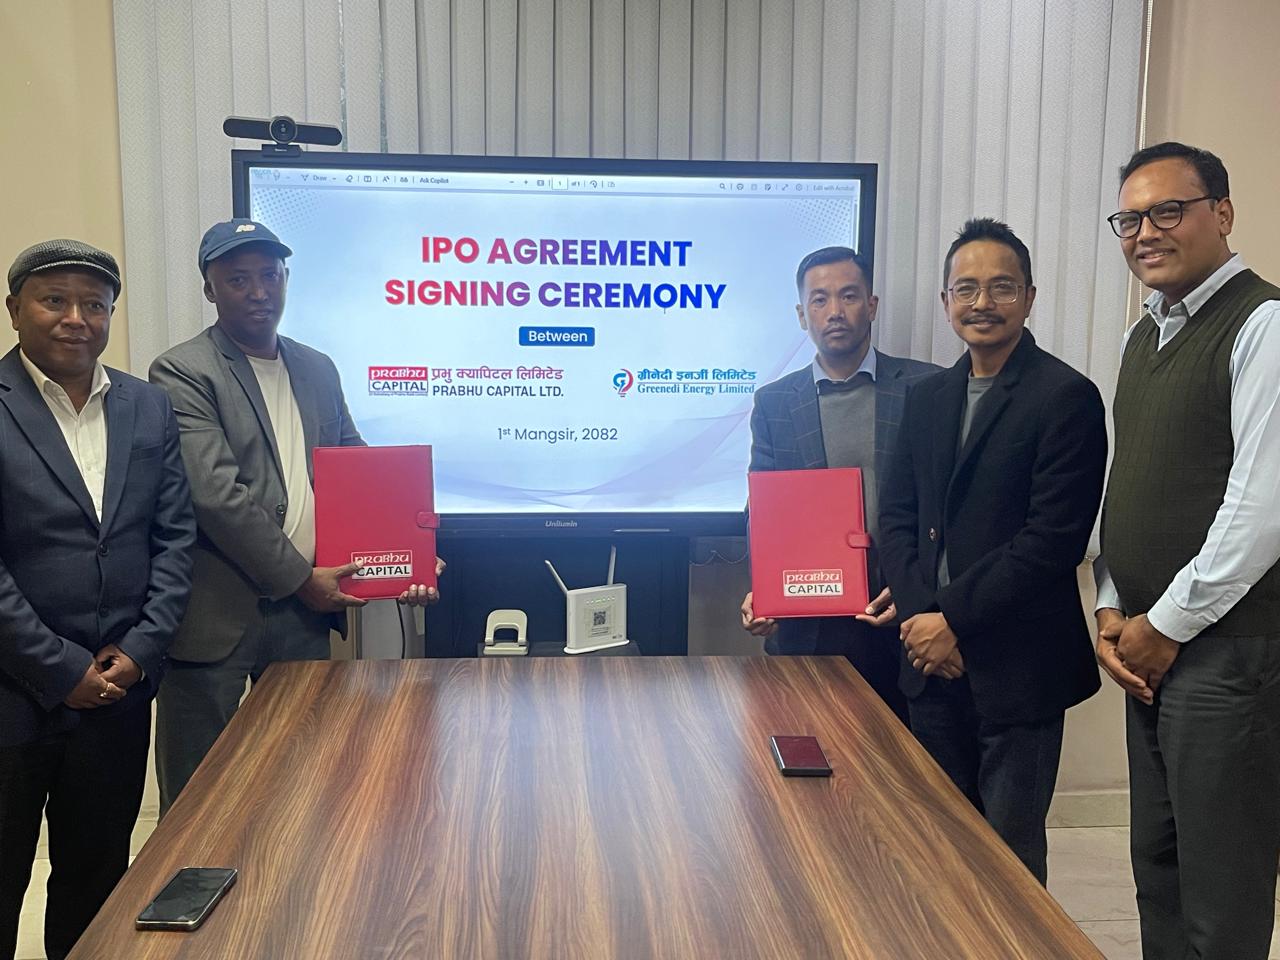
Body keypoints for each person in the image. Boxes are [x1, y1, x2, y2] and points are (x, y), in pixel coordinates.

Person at [149, 219, 442, 815]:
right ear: (209, 288)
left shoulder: (317, 368)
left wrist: (410, 553)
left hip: (301, 618)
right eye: (238, 279)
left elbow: (357, 468)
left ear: (286, 278)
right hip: (217, 613)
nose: (259, 292)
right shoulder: (182, 370)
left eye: (270, 275)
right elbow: (217, 496)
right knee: (198, 794)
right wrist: (301, 578)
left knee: (302, 783)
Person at [1093, 142, 1280, 960]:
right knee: (1160, 870)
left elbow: (1262, 510)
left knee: (1221, 885)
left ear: (1223, 213)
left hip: (1226, 652)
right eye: (1130, 219)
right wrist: (1111, 603)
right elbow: (1128, 483)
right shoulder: (1144, 336)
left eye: (1168, 211)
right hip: (1147, 646)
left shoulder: (1264, 325)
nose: (1146, 233)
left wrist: (1164, 624)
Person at [878, 218, 1106, 883]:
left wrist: (950, 620)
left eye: (1002, 287)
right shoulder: (927, 398)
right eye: (967, 288)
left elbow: (1052, 540)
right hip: (930, 664)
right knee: (940, 848)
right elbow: (896, 519)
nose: (983, 302)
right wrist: (923, 622)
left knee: (1009, 860)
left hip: (1019, 668)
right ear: (946, 301)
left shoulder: (1065, 397)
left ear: (1029, 297)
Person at [0, 240, 195, 959]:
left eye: (94, 304)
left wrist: (141, 651)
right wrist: (59, 667)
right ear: (14, 308)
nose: (76, 317)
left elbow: (175, 537)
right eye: (54, 300)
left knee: (97, 877)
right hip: (11, 691)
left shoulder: (148, 406)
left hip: (116, 691)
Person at [740, 246, 938, 722]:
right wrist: (764, 588)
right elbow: (764, 510)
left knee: (904, 760)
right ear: (801, 314)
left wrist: (919, 591)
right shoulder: (774, 403)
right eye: (820, 299)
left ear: (871, 305)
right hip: (809, 624)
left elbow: (946, 506)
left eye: (848, 296)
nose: (835, 311)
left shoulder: (926, 388)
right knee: (808, 751)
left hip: (905, 618)